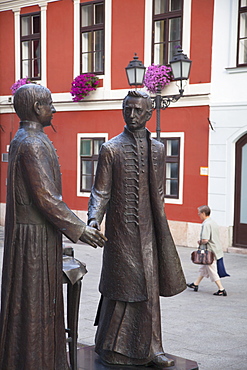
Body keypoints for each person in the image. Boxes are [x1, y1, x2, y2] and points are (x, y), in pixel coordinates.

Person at [0, 84, 106, 370]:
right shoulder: (32, 142)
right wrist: (80, 229)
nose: (55, 109)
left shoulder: (29, 138)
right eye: (50, 104)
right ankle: (36, 361)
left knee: (38, 304)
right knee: (34, 304)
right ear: (37, 108)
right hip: (33, 239)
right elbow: (47, 198)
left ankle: (41, 358)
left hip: (39, 234)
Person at [88, 90, 186, 368]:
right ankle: (110, 347)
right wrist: (94, 219)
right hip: (121, 234)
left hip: (150, 233)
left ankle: (153, 349)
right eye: (127, 109)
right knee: (122, 288)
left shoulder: (158, 149)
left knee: (150, 289)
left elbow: (159, 192)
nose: (132, 115)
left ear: (148, 113)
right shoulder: (111, 149)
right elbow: (100, 192)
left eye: (138, 111)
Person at [187, 205, 229, 296]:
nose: (198, 215)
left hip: (209, 252)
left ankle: (221, 289)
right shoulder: (212, 222)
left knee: (212, 270)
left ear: (203, 213)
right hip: (216, 249)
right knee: (203, 268)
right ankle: (195, 284)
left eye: (199, 213)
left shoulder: (206, 224)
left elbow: (205, 239)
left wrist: (200, 242)